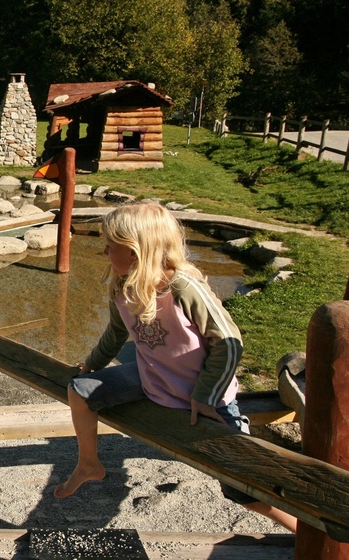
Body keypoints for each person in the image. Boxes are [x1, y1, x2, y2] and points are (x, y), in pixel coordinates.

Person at [52, 201, 298, 532]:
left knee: (241, 486)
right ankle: (88, 463)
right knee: (79, 391)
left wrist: (205, 396)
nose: (105, 252)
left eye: (111, 247)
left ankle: (301, 527)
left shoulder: (182, 286)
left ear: (137, 252)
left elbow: (228, 344)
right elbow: (115, 333)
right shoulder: (121, 285)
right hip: (153, 378)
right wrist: (90, 364)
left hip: (207, 396)